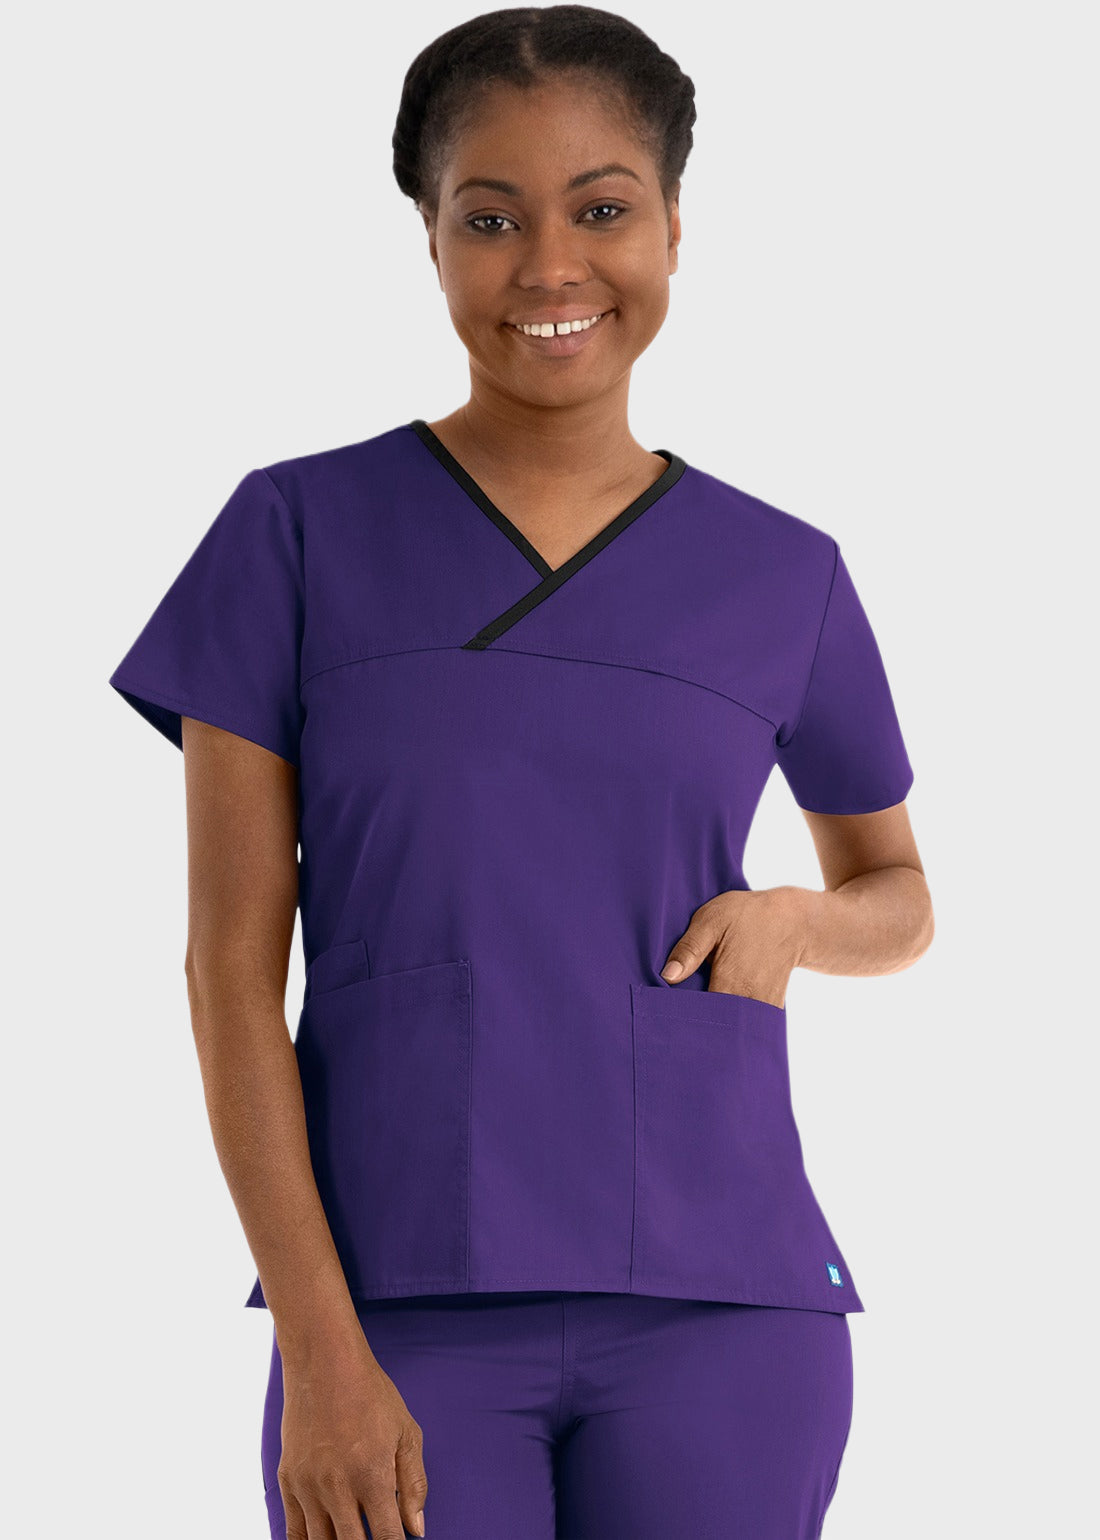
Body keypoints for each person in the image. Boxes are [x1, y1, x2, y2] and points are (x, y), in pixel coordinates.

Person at [107, 6, 934, 1537]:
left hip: (724, 1312)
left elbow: (897, 892)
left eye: (602, 210)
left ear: (673, 228)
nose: (552, 267)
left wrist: (797, 922)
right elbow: (229, 975)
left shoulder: (784, 574)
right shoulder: (294, 536)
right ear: (430, 240)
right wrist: (321, 1353)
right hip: (392, 1315)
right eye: (490, 219)